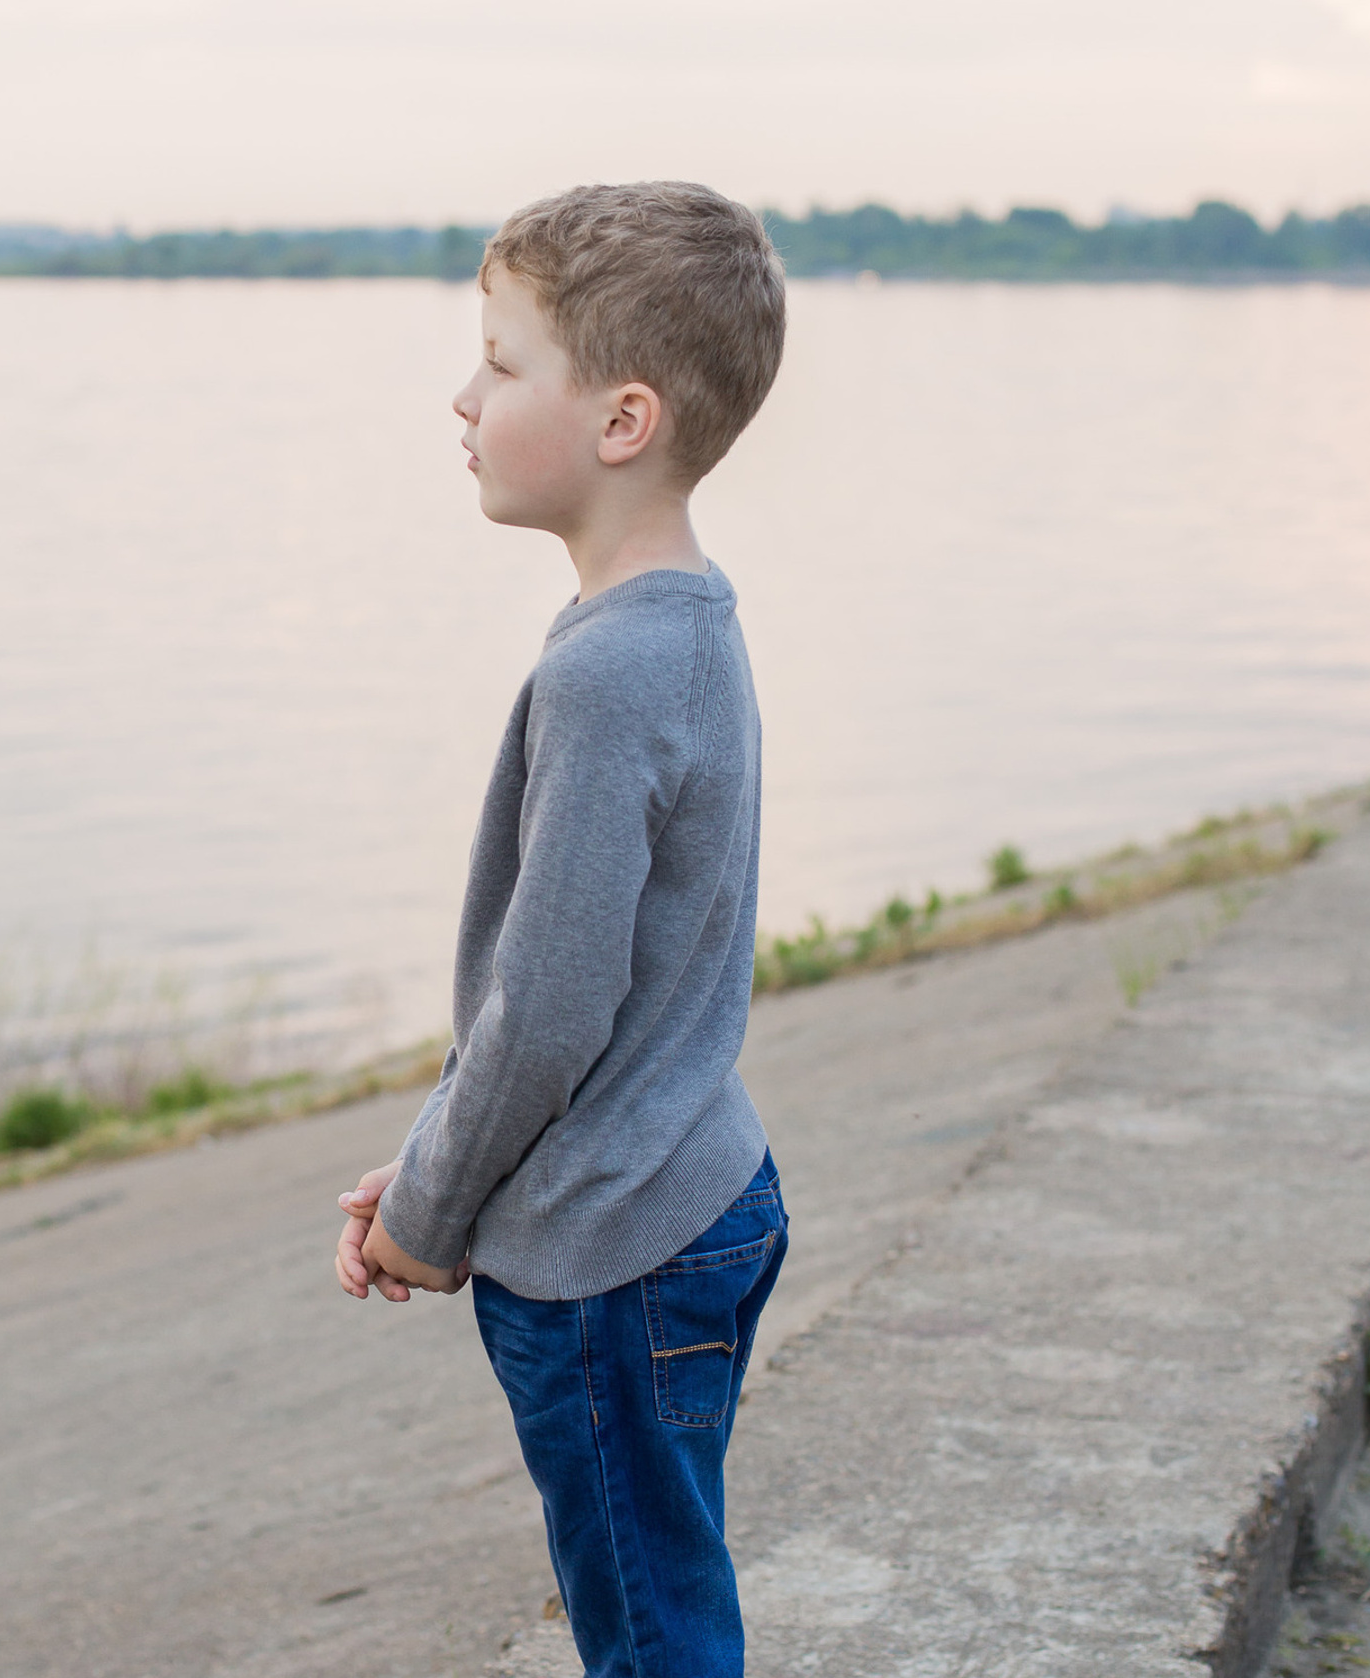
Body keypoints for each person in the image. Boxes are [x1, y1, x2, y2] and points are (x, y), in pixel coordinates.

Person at [333, 180, 789, 1678]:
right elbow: (628, 984)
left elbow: (547, 1009)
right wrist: (440, 1153)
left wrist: (429, 1213)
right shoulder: (689, 622)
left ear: (623, 421)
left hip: (612, 1259)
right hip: (697, 1185)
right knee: (670, 1578)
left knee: (652, 1636)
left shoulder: (606, 676)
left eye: (502, 362)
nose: (462, 397)